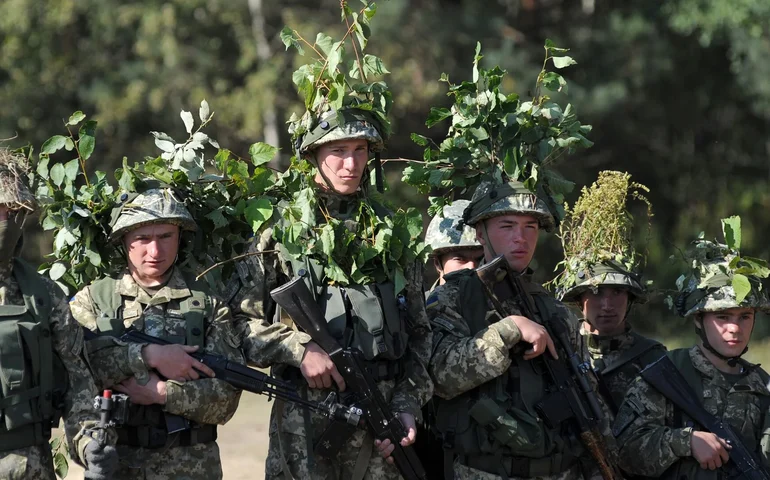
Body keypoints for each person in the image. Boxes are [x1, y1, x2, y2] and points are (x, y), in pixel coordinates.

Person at [225, 107, 433, 479]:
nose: (350, 163)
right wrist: (298, 349)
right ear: (313, 157)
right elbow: (239, 324)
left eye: (360, 150)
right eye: (338, 151)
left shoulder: (393, 233)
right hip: (303, 422)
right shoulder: (278, 232)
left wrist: (406, 405)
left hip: (381, 423)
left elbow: (420, 334)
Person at [428, 180, 617, 480]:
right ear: (480, 233)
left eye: (530, 227)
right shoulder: (453, 299)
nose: (521, 238)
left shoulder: (553, 310)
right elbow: (439, 376)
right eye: (507, 226)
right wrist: (509, 330)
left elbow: (587, 404)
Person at [69, 188, 244, 480]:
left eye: (165, 237)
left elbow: (226, 400)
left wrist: (162, 394)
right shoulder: (94, 300)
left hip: (193, 468)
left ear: (180, 238)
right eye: (142, 239)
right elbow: (77, 378)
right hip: (118, 464)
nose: (155, 251)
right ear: (123, 241)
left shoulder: (206, 305)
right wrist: (147, 356)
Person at [614, 227, 770, 478]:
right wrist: (685, 442)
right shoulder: (666, 375)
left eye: (744, 317)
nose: (734, 328)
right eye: (722, 316)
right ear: (698, 320)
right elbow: (623, 452)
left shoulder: (762, 386)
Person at [0, 149, 117, 479]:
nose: (4, 220)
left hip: (29, 470)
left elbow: (78, 387)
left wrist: (90, 443)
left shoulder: (43, 294)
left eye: (11, 211)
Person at [556, 171, 665, 413]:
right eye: (595, 292)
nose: (607, 304)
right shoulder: (558, 353)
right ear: (579, 297)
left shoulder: (653, 358)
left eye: (617, 292)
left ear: (630, 298)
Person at [424, 200, 484, 290]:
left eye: (480, 260)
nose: (472, 267)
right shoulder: (419, 303)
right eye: (460, 259)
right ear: (438, 264)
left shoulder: (504, 302)